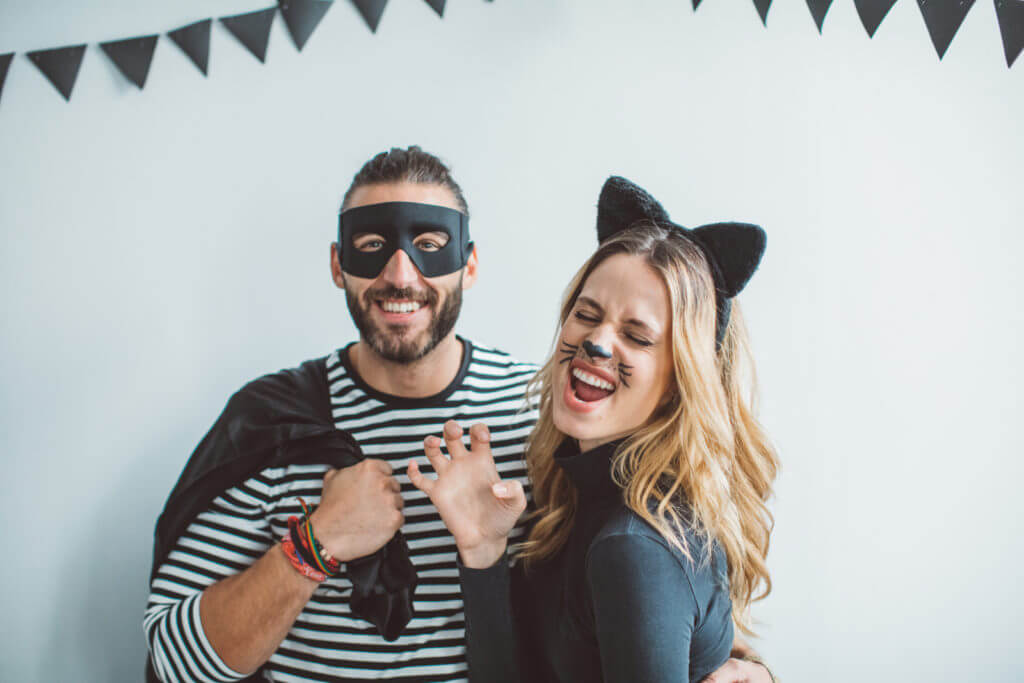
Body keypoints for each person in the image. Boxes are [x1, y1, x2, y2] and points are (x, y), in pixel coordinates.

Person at [144, 149, 776, 682]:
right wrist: (314, 544)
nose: (400, 273)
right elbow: (173, 659)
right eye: (370, 246)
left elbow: (640, 599)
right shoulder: (272, 423)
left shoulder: (545, 415)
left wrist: (743, 665)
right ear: (338, 265)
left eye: (428, 245)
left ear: (469, 265)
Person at [409, 176, 780, 682]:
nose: (597, 343)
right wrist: (482, 550)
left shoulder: (631, 546)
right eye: (587, 314)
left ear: (681, 380)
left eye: (637, 336)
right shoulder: (581, 498)